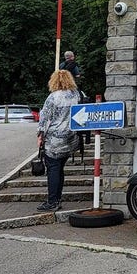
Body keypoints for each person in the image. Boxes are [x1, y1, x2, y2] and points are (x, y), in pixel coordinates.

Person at [36, 69, 82, 212]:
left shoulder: (53, 97)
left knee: (53, 170)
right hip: (70, 138)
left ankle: (52, 201)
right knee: (60, 169)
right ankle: (57, 198)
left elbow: (44, 118)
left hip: (54, 140)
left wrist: (40, 136)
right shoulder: (76, 95)